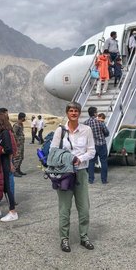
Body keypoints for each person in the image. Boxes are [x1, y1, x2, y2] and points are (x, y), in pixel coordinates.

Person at [50, 102, 95, 252]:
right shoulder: (60, 131)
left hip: (81, 172)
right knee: (64, 208)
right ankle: (64, 239)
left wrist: (80, 159)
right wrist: (68, 159)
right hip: (64, 174)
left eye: (76, 111)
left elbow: (92, 151)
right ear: (67, 113)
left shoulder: (86, 130)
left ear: (79, 113)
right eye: (71, 111)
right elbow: (53, 150)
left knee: (84, 208)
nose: (74, 113)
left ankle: (84, 237)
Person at [84, 106, 109, 185]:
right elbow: (107, 132)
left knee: (91, 162)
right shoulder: (100, 122)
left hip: (92, 146)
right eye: (96, 112)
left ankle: (91, 179)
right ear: (95, 113)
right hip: (101, 144)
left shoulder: (86, 123)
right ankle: (104, 180)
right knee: (104, 161)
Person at [13, 112, 26, 176]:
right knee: (17, 157)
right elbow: (13, 134)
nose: (25, 119)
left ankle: (18, 170)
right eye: (24, 117)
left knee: (21, 157)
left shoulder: (21, 124)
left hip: (21, 143)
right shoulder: (16, 125)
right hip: (18, 144)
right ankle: (14, 171)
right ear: (22, 117)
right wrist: (16, 141)